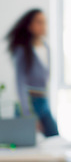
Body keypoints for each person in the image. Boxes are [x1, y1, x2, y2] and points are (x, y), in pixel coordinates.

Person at [6, 9, 59, 137]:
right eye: (39, 22)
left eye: (44, 22)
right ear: (29, 26)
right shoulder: (22, 50)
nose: (42, 26)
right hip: (28, 103)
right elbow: (20, 84)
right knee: (26, 145)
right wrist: (28, 115)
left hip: (43, 102)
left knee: (54, 137)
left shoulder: (46, 47)